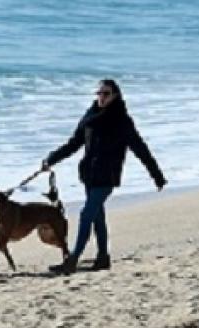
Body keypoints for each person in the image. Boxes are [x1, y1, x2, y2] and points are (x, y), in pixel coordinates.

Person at [42, 79, 166, 274]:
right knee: (97, 217)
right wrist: (51, 159)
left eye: (106, 93)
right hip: (89, 174)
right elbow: (74, 143)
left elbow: (140, 149)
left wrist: (156, 175)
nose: (101, 97)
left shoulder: (122, 121)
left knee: (86, 215)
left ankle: (72, 259)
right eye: (99, 93)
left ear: (115, 96)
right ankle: (103, 258)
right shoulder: (90, 117)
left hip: (107, 177)